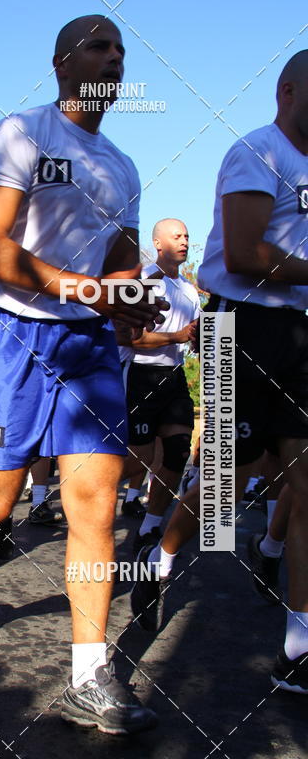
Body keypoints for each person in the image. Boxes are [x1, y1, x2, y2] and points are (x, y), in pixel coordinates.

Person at [0, 15, 167, 735]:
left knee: (93, 506)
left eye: (121, 49)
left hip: (88, 347)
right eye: (99, 46)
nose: (113, 58)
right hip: (11, 339)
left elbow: (119, 260)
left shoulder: (121, 166)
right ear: (62, 65)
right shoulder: (19, 135)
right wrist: (88, 290)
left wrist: (129, 297)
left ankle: (90, 675)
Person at [135, 51, 308, 695]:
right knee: (221, 484)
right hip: (239, 325)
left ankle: (298, 647)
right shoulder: (258, 152)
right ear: (287, 91)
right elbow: (242, 253)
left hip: (299, 331)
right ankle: (160, 560)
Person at [118, 219, 199, 554]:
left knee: (179, 452)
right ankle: (91, 485)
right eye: (176, 236)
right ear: (158, 242)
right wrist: (176, 336)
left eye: (187, 236)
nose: (184, 241)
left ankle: (150, 528)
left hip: (174, 376)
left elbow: (189, 338)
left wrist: (196, 340)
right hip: (141, 374)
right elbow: (131, 339)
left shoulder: (191, 291)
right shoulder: (144, 281)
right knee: (140, 458)